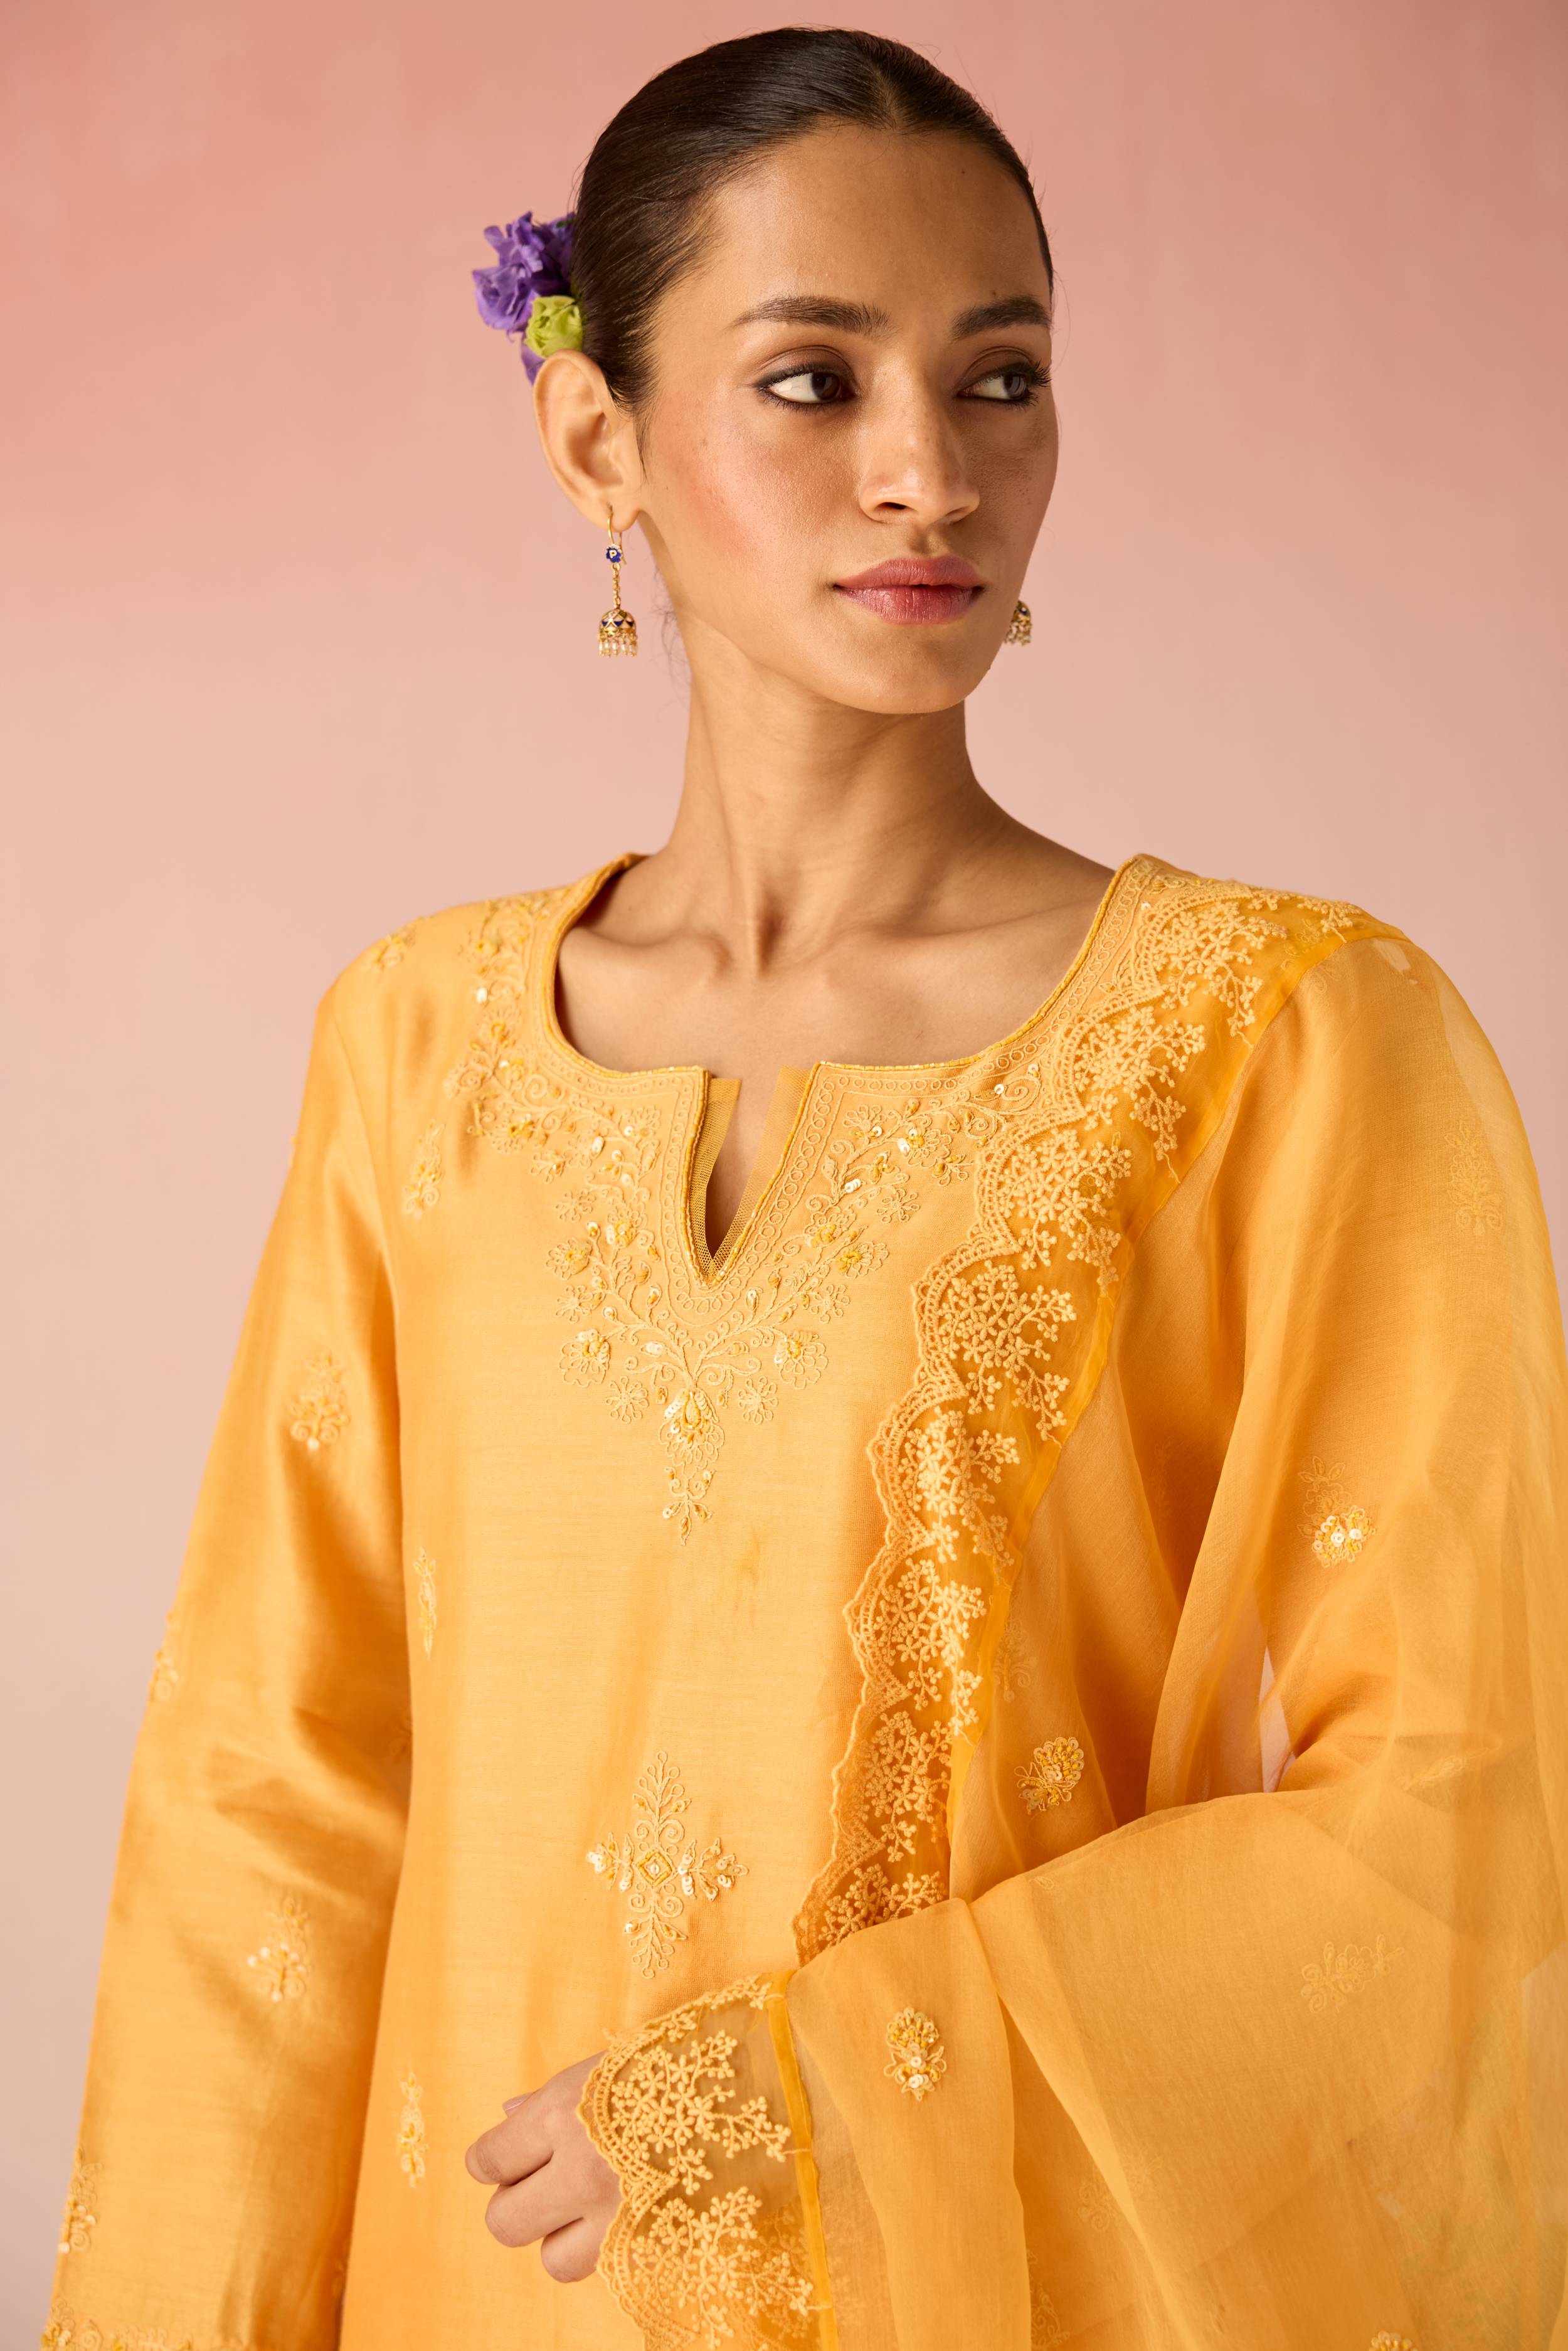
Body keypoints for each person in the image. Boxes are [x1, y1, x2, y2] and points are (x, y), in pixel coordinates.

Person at [45, 27, 1567, 2351]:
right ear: (594, 437)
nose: (925, 471)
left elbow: (1451, 1812)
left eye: (997, 378)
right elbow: (273, 1801)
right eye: (810, 379)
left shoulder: (1282, 1040)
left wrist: (823, 2083)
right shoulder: (419, 1052)